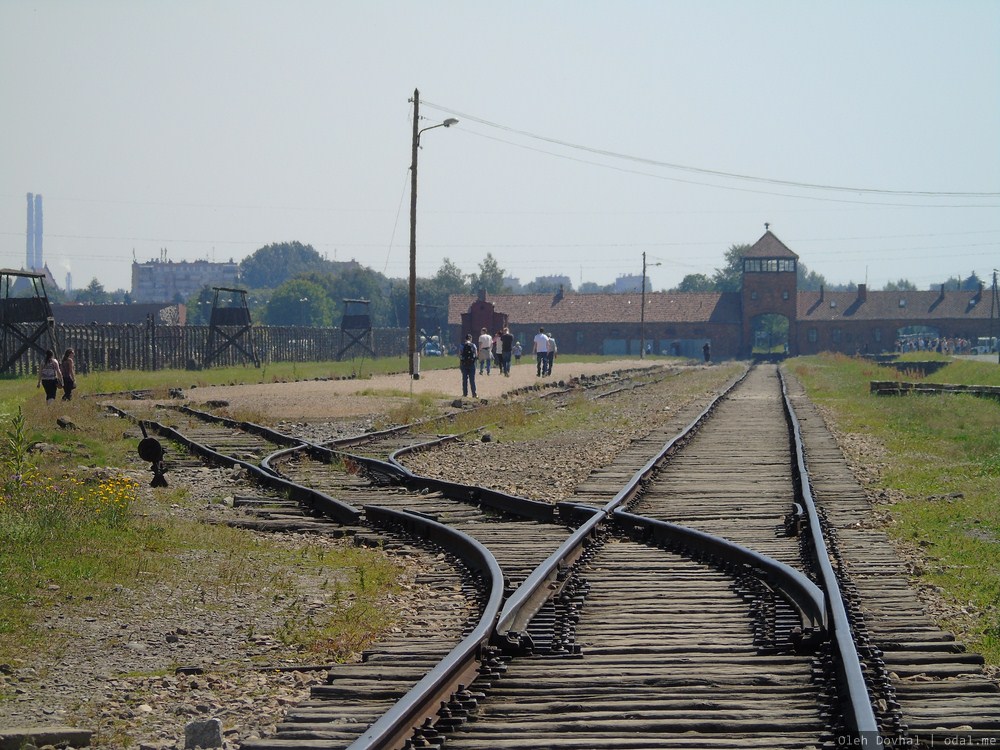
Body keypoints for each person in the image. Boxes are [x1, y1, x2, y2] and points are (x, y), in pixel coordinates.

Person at [459, 334, 478, 398]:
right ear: (471, 339)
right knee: (472, 380)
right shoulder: (473, 345)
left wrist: (462, 362)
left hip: (464, 364)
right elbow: (476, 354)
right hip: (472, 364)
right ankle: (474, 394)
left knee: (464, 379)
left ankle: (465, 394)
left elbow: (460, 355)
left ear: (465, 339)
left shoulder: (462, 345)